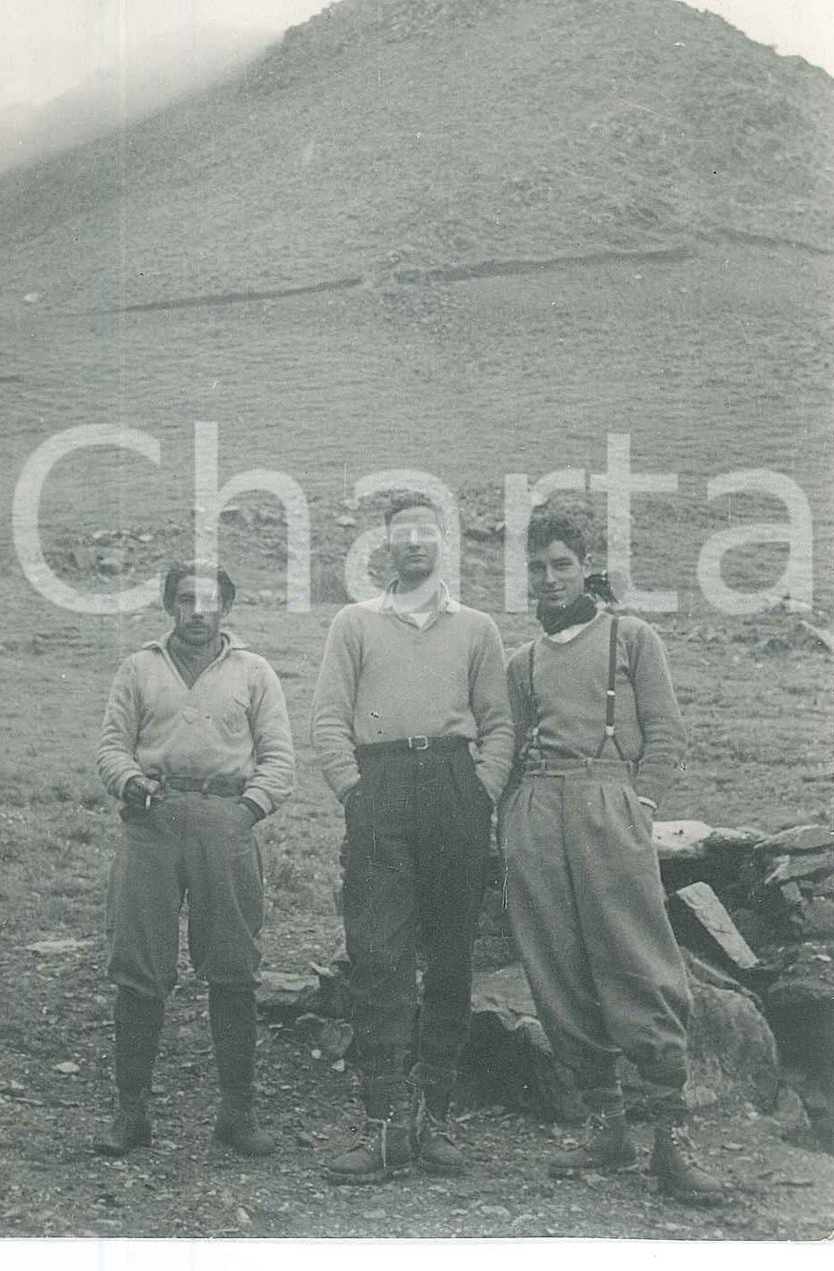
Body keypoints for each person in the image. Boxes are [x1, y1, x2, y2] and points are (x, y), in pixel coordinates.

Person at [498, 506, 724, 1204]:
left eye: (562, 563)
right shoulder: (523, 660)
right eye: (537, 567)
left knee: (636, 957)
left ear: (584, 562)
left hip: (608, 805)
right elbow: (507, 749)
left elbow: (667, 734)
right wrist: (509, 818)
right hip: (537, 812)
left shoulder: (632, 636)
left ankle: (671, 1138)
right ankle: (607, 1124)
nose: (550, 578)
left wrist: (638, 805)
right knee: (556, 964)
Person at [311, 495, 514, 1183]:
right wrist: (354, 792)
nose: (416, 546)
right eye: (404, 536)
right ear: (385, 547)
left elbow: (500, 722)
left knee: (451, 956)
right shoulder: (355, 623)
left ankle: (437, 1120)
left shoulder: (478, 627)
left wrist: (481, 787)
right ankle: (383, 1127)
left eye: (429, 534)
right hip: (382, 787)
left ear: (445, 544)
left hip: (456, 786)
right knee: (378, 953)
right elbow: (329, 719)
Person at [94, 560, 295, 1158]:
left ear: (225, 608)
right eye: (186, 600)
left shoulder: (254, 672)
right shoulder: (139, 668)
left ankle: (238, 1114)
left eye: (209, 601)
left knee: (233, 966)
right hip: (151, 826)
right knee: (139, 967)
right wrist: (130, 783)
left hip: (224, 825)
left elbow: (279, 758)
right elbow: (110, 747)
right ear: (170, 606)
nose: (198, 612)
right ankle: (131, 1114)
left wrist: (246, 811)